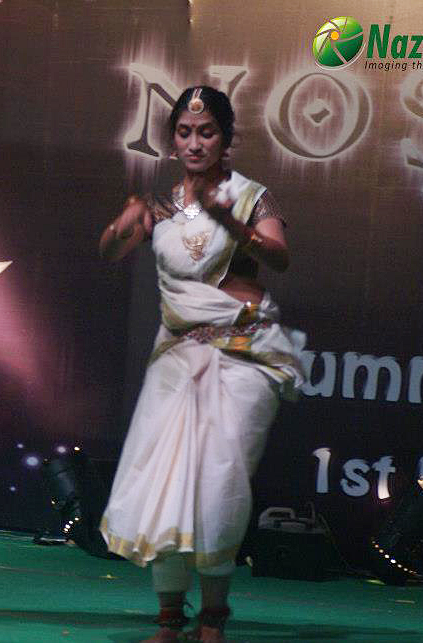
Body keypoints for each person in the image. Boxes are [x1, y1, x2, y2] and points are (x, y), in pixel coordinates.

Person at [98, 86, 305, 642]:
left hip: (244, 357)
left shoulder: (250, 197)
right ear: (172, 141)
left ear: (225, 139)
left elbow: (279, 257)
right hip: (177, 356)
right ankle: (170, 619)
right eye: (185, 133)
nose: (195, 143)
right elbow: (110, 251)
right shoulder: (160, 206)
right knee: (163, 485)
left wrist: (230, 223)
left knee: (218, 485)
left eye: (207, 132)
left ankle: (213, 618)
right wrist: (124, 222)